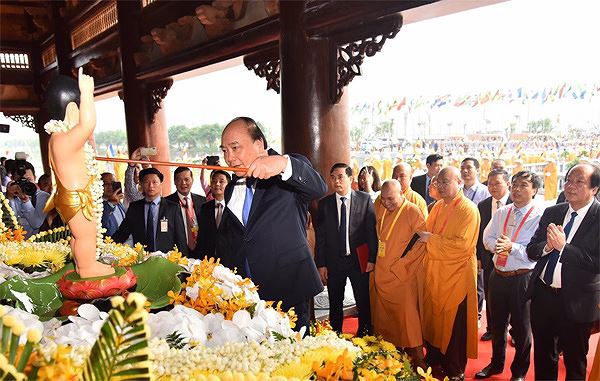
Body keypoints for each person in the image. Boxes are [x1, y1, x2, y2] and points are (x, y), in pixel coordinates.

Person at [216, 116, 327, 331]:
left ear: (259, 144)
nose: (229, 157)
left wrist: (282, 163)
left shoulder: (287, 170)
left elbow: (318, 188)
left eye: (235, 148)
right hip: (246, 296)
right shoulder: (231, 188)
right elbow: (238, 237)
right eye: (224, 150)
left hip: (287, 288)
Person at [526, 162, 600, 381]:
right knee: (543, 357)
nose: (571, 186)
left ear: (594, 189)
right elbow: (532, 249)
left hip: (578, 302)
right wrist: (547, 247)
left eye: (579, 182)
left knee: (574, 361)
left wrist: (564, 248)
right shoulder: (553, 212)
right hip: (544, 296)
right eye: (569, 180)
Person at [43, 70, 114, 278]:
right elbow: (88, 125)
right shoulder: (64, 139)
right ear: (71, 109)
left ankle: (82, 262)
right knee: (86, 234)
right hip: (77, 197)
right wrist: (88, 93)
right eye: (79, 107)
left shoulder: (57, 137)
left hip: (70, 195)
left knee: (78, 234)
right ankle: (87, 267)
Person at [476, 171, 543, 381]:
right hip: (498, 275)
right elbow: (487, 238)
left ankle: (519, 372)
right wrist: (499, 246)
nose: (516, 189)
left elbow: (535, 251)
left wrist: (511, 247)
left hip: (522, 278)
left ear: (535, 191)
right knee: (497, 325)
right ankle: (496, 364)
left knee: (522, 329)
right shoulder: (502, 212)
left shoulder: (540, 216)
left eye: (523, 185)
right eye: (514, 185)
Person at [419, 166, 480, 381]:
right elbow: (425, 232)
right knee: (433, 319)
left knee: (454, 325)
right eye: (438, 182)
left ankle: (455, 368)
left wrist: (430, 240)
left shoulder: (468, 209)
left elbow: (462, 246)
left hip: (456, 275)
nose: (441, 186)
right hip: (435, 273)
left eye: (446, 182)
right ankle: (435, 355)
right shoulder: (436, 207)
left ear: (459, 183)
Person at [314, 163, 377, 336]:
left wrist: (372, 258)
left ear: (350, 178)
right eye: (333, 177)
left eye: (340, 177)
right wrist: (321, 264)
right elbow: (321, 238)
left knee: (363, 300)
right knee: (335, 301)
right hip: (335, 262)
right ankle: (336, 335)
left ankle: (365, 335)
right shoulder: (325, 204)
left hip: (358, 260)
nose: (336, 181)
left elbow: (371, 232)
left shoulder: (364, 200)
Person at [370, 179, 427, 369]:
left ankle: (419, 361)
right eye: (383, 199)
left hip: (403, 276)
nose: (386, 203)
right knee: (385, 320)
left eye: (391, 199)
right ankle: (392, 357)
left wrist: (402, 266)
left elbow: (421, 242)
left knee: (408, 321)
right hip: (383, 273)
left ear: (402, 193)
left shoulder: (412, 210)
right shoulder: (381, 208)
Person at [112, 167, 188, 254]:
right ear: (141, 184)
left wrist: (183, 261)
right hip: (142, 259)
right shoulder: (135, 207)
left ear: (160, 183)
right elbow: (122, 233)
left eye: (155, 182)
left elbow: (180, 238)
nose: (151, 186)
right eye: (146, 182)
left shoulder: (172, 208)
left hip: (166, 261)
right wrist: (107, 246)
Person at [475, 169, 511, 343]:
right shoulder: (483, 205)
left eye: (497, 183)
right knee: (490, 292)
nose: (493, 187)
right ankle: (491, 328)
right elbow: (479, 233)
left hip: (513, 257)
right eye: (490, 183)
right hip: (489, 256)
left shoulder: (515, 202)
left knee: (513, 297)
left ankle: (515, 331)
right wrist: (479, 256)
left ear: (507, 183)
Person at [165, 167, 206, 257]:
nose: (183, 183)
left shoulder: (202, 201)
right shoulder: (166, 203)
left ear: (192, 180)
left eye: (187, 179)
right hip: (177, 253)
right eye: (179, 180)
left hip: (201, 252)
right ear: (174, 182)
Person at [6, 162, 51, 238]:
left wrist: (25, 201)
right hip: (10, 244)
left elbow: (36, 224)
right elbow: (7, 221)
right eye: (20, 181)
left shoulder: (43, 196)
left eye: (28, 180)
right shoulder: (6, 196)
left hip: (34, 245)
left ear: (35, 178)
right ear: (12, 180)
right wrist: (9, 196)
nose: (25, 184)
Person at [197, 169, 231, 258]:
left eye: (221, 181)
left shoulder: (234, 207)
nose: (217, 184)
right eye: (214, 181)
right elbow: (202, 236)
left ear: (228, 185)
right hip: (209, 259)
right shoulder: (205, 208)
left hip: (230, 257)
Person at [100, 172, 126, 236]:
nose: (110, 186)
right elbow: (100, 226)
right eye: (105, 184)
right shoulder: (96, 204)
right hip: (108, 244)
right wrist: (110, 204)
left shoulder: (120, 203)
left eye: (113, 183)